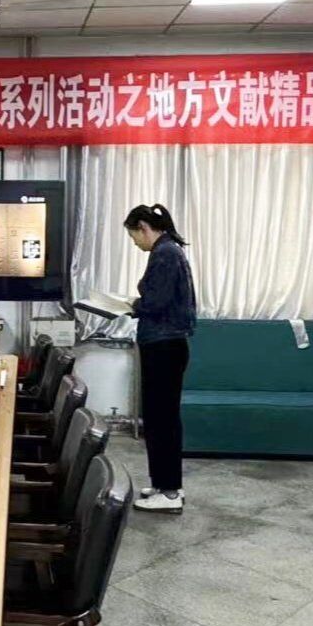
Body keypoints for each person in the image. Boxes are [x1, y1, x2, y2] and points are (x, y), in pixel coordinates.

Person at [123, 204, 197, 514]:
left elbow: (156, 301)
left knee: (161, 420)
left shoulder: (165, 253)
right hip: (165, 344)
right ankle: (164, 484)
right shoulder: (169, 250)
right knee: (158, 418)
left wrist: (133, 304)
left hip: (164, 345)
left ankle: (169, 492)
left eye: (133, 236)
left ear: (143, 227)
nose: (135, 243)